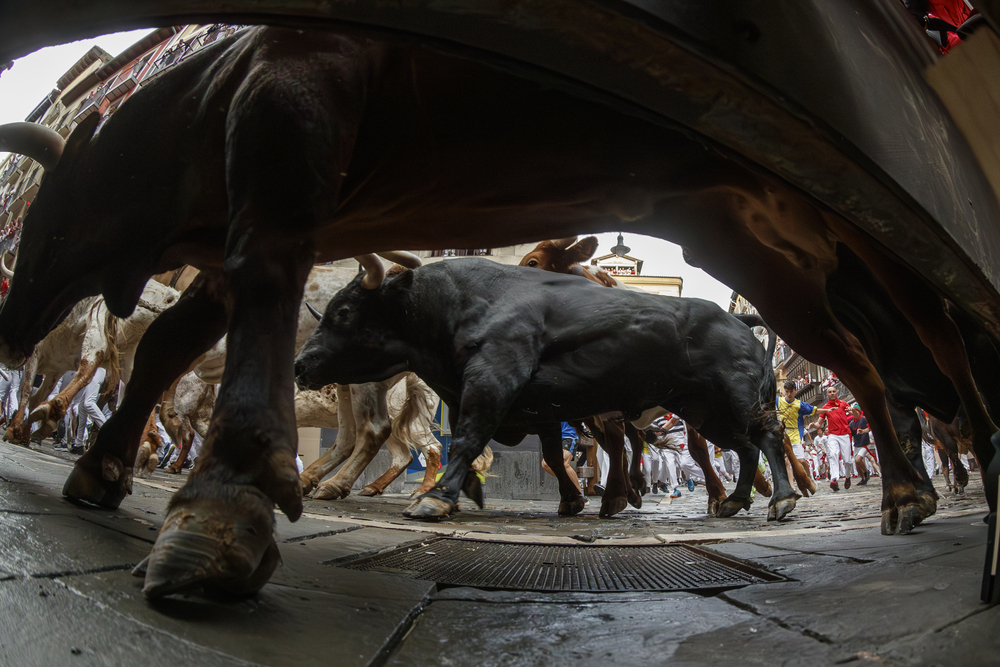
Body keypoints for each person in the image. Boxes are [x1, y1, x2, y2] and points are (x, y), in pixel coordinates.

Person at [776, 380, 830, 485]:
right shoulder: (778, 401)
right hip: (784, 435)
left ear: (795, 390)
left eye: (791, 391)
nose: (789, 394)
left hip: (796, 435)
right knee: (786, 461)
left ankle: (809, 479)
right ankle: (792, 486)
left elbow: (814, 410)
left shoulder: (799, 404)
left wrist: (827, 410)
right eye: (787, 391)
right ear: (784, 391)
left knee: (801, 461)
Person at [818, 386, 854, 491]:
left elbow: (855, 415)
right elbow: (819, 422)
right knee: (833, 454)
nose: (832, 393)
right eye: (830, 392)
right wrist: (814, 425)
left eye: (834, 391)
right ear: (827, 395)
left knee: (847, 461)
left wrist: (853, 411)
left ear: (836, 393)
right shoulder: (825, 407)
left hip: (845, 434)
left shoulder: (844, 404)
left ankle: (847, 477)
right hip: (832, 434)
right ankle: (834, 479)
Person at [541, 422, 586, 503]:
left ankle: (580, 495)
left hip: (568, 436)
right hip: (554, 438)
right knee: (545, 464)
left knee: (564, 463)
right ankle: (568, 485)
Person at [849, 405, 874, 485]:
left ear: (859, 412)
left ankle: (867, 472)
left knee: (858, 460)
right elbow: (851, 435)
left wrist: (863, 431)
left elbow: (869, 428)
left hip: (865, 444)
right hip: (857, 445)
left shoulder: (863, 419)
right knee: (857, 464)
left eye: (856, 411)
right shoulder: (851, 423)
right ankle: (863, 479)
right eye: (853, 411)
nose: (854, 412)